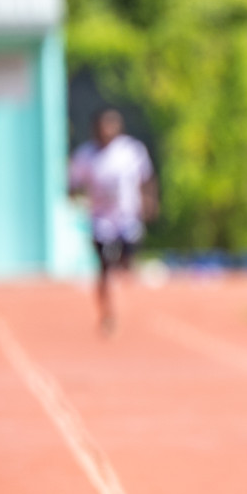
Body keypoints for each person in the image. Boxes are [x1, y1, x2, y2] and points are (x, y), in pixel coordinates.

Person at [69, 109, 158, 334]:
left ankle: (123, 270)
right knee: (104, 269)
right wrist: (77, 200)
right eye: (102, 128)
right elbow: (73, 184)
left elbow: (146, 178)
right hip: (101, 221)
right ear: (94, 130)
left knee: (127, 262)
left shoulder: (131, 151)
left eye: (112, 127)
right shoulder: (85, 156)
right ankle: (107, 313)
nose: (107, 132)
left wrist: (149, 201)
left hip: (127, 218)